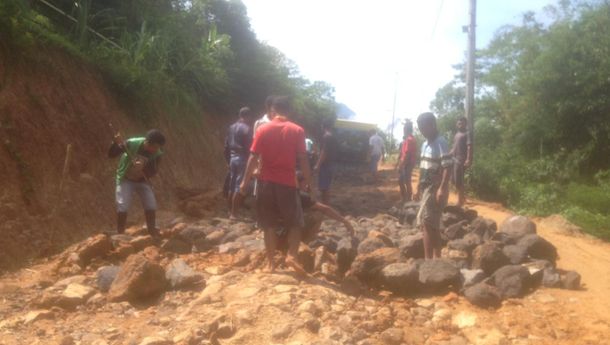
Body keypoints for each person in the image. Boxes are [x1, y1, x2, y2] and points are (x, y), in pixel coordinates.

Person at [240, 96, 313, 275]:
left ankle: (271, 264)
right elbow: (303, 158)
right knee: (295, 223)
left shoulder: (263, 129)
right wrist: (309, 181)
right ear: (289, 111)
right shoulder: (297, 130)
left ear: (273, 110)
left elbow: (253, 157)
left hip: (266, 183)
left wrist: (245, 181)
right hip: (288, 183)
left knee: (269, 225)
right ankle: (292, 257)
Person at [108, 129, 165, 237]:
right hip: (126, 179)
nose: (156, 150)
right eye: (155, 147)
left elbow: (154, 170)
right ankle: (120, 233)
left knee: (150, 203)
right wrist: (115, 143)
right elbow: (111, 154)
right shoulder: (131, 143)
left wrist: (143, 168)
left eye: (158, 147)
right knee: (122, 204)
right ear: (147, 142)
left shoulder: (157, 154)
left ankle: (152, 230)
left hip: (143, 181)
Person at [414, 112, 452, 259]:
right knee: (432, 224)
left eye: (423, 127)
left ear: (432, 125)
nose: (422, 131)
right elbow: (423, 167)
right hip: (425, 188)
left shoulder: (440, 142)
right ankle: (437, 257)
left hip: (434, 189)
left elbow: (447, 166)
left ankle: (428, 260)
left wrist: (442, 188)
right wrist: (418, 187)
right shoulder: (424, 144)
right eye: (420, 128)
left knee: (428, 225)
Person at [224, 107, 256, 219]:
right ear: (248, 116)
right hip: (242, 158)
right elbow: (249, 148)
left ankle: (229, 211)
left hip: (232, 158)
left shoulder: (231, 127)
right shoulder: (247, 129)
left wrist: (228, 160)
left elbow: (226, 145)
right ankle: (234, 214)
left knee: (231, 186)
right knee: (239, 187)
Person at [314, 118, 339, 204]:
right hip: (331, 164)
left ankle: (325, 205)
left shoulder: (326, 137)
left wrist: (318, 164)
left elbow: (324, 152)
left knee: (324, 187)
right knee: (326, 186)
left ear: (323, 126)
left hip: (325, 165)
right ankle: (326, 204)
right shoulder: (333, 137)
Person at [451, 116, 473, 207]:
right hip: (454, 159)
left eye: (462, 123)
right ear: (457, 124)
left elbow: (469, 147)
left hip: (461, 160)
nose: (460, 124)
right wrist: (447, 155)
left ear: (465, 124)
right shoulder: (456, 135)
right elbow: (453, 148)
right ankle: (463, 197)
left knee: (458, 180)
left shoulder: (467, 134)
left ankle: (460, 201)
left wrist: (468, 159)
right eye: (459, 123)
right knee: (453, 180)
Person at [396, 120, 417, 202]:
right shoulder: (411, 139)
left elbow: (407, 154)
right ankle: (406, 198)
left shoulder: (409, 139)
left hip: (407, 163)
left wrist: (401, 165)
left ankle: (406, 199)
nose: (403, 130)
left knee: (404, 181)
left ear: (405, 129)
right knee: (404, 181)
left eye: (404, 129)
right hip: (408, 163)